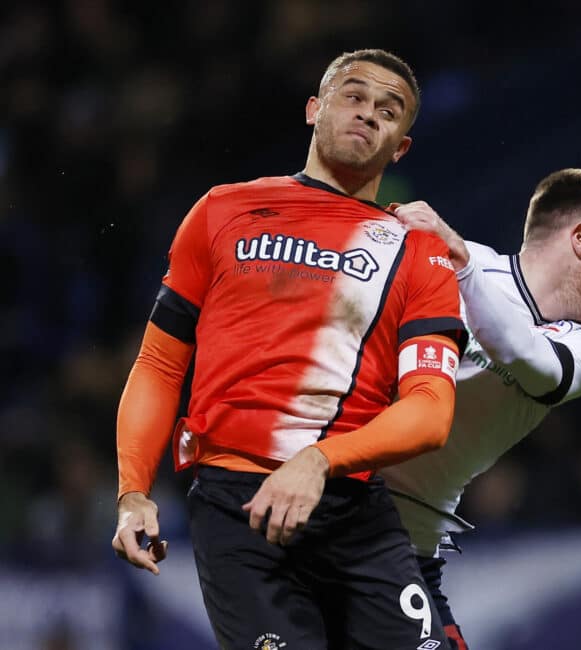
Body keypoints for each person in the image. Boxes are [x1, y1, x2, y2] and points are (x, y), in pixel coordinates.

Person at [111, 48, 468, 649]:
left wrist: (322, 459)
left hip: (353, 505)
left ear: (400, 147)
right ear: (314, 109)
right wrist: (132, 492)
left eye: (389, 110)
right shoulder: (222, 211)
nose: (368, 114)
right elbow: (159, 362)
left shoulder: (419, 250)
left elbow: (431, 411)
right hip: (234, 504)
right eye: (353, 96)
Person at [382, 168, 581, 649]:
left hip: (407, 552)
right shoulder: (447, 261)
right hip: (327, 497)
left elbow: (523, 355)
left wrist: (459, 263)